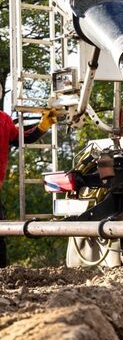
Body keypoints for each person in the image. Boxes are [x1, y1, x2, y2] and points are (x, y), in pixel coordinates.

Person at [0, 95, 57, 267]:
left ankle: (3, 278)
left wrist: (42, 126)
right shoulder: (3, 119)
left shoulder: (3, 120)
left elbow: (22, 138)